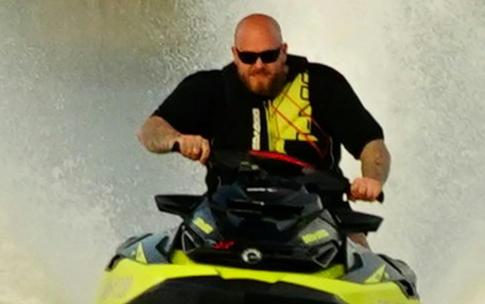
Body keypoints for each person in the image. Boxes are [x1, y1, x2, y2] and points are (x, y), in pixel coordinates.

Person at [141, 14, 389, 207]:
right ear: (235, 55)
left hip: (320, 213)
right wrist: (177, 140)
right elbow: (150, 131)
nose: (259, 66)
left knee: (362, 260)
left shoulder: (324, 84)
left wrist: (372, 181)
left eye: (268, 56)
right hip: (227, 213)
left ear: (284, 52)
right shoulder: (209, 88)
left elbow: (372, 146)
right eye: (248, 57)